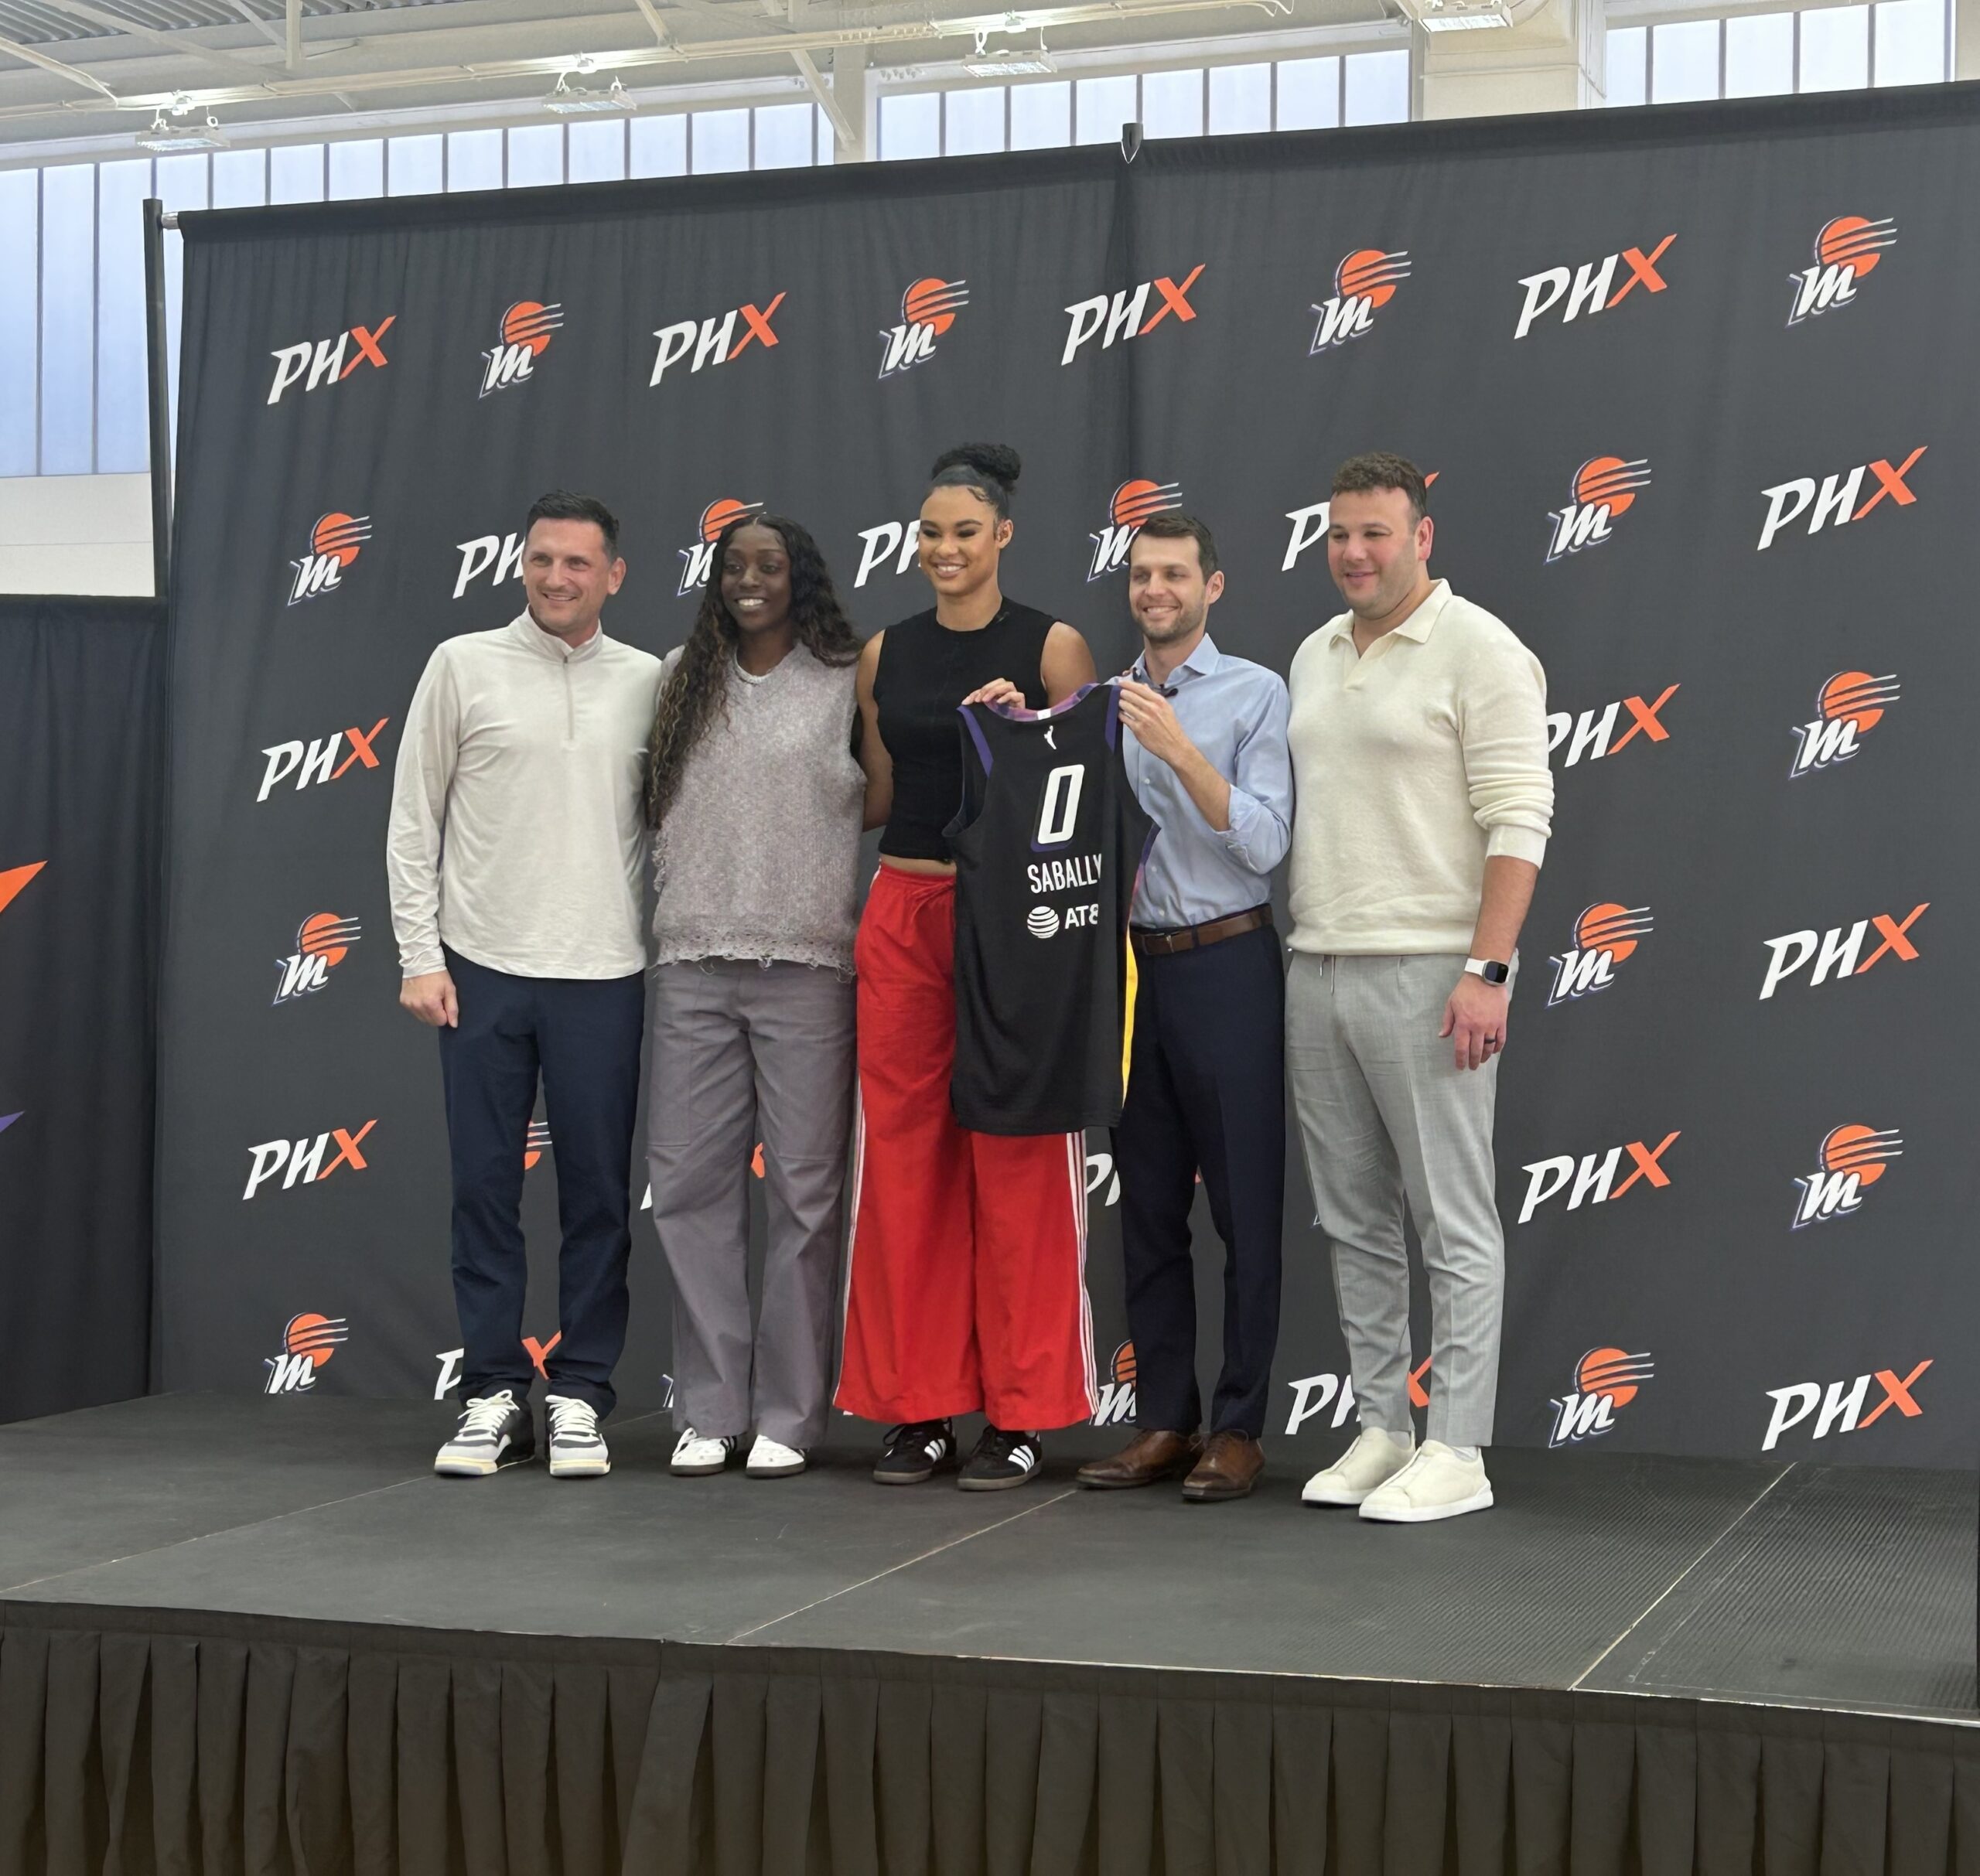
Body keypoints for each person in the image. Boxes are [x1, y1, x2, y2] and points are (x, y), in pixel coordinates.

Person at [1285, 452, 1552, 1523]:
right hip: (1317, 963)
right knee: (1353, 1219)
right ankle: (1386, 1423)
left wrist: (1486, 970)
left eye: (1377, 533)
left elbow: (1519, 820)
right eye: (1340, 533)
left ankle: (1460, 1446)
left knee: (1452, 1219)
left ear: (1422, 536)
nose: (1355, 551)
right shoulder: (1312, 652)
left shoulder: (1482, 648)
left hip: (1435, 967)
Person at [837, 442, 1101, 1489]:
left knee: (1021, 1163)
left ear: (1002, 536)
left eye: (964, 532)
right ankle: (920, 1409)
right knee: (905, 1163)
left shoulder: (1054, 645)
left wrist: (1027, 728)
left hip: (1013, 924)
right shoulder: (882, 653)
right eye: (931, 531)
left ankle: (1026, 1413)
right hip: (901, 908)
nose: (945, 549)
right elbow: (872, 792)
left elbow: (1081, 804)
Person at [388, 491, 661, 1481]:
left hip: (606, 974)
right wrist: (420, 954)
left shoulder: (650, 680)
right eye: (543, 559)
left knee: (598, 1198)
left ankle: (583, 1390)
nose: (558, 577)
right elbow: (414, 817)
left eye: (578, 564)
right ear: (522, 564)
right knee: (483, 1194)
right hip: (480, 970)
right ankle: (493, 1393)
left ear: (614, 575)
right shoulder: (461, 664)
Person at [644, 514, 867, 1482]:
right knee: (689, 1192)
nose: (749, 580)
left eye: (769, 565)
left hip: (809, 967)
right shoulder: (675, 677)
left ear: (800, 576)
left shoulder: (847, 678)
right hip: (692, 962)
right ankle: (709, 1408)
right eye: (733, 565)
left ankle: (787, 1412)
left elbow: (888, 793)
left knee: (807, 1201)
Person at [1074, 513, 1292, 1504]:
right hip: (1133, 975)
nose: (1153, 588)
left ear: (1214, 585)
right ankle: (1165, 1417)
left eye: (1172, 573)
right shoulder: (1101, 702)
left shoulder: (1255, 692)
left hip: (1228, 961)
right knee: (1149, 1206)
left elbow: (1264, 843)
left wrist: (1176, 749)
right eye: (1139, 574)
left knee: (1244, 1203)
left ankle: (1238, 1427)